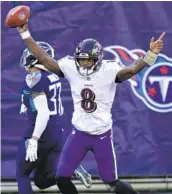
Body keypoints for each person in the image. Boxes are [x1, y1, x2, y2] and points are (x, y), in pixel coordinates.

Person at [14, 22, 164, 194]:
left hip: (101, 135)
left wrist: (150, 55)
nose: (84, 63)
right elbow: (44, 58)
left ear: (98, 59)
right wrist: (25, 33)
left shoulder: (109, 69)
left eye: (88, 59)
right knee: (61, 178)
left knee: (112, 183)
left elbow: (131, 70)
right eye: (81, 59)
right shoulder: (70, 66)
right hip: (78, 133)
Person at [16, 41, 92, 194]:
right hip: (57, 133)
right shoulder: (52, 76)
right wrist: (28, 103)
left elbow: (43, 113)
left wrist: (34, 139)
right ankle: (72, 169)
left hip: (41, 133)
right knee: (42, 181)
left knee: (22, 174)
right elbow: (59, 108)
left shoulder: (33, 79)